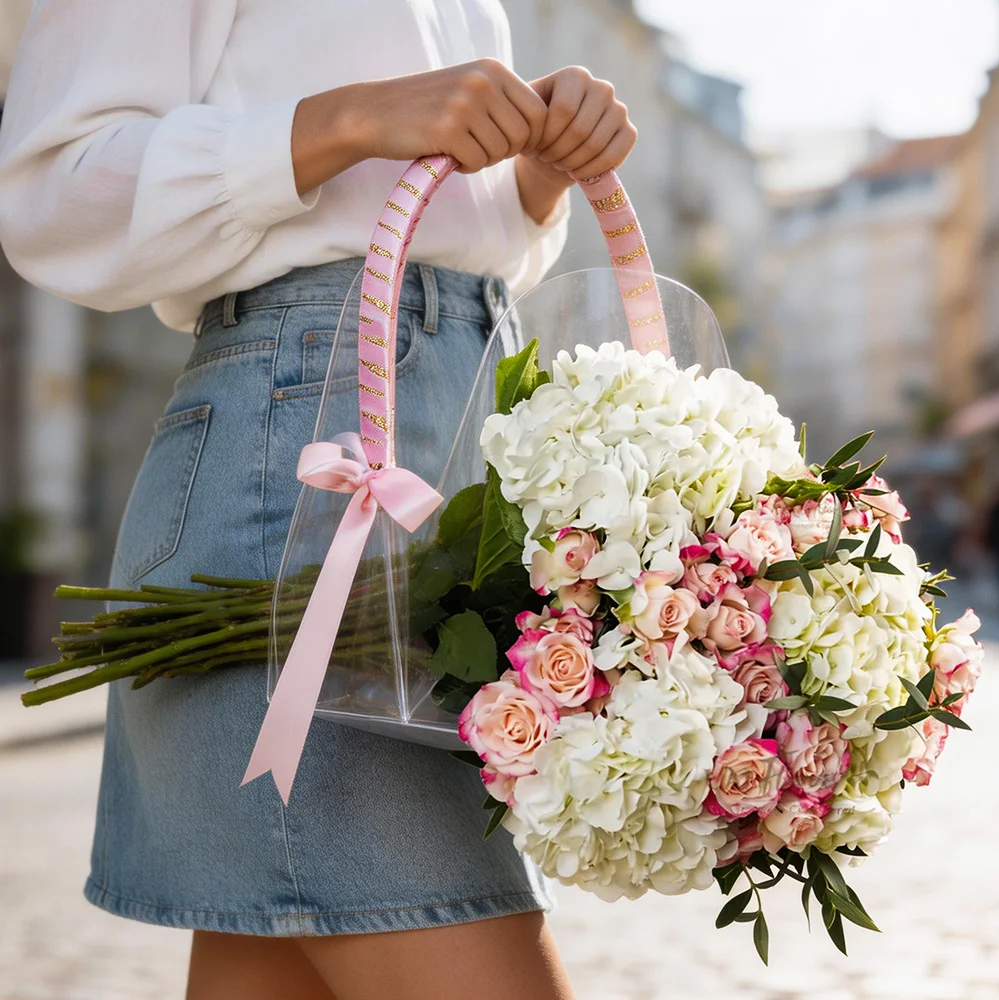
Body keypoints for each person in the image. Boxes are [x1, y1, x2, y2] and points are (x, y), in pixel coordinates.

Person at [0, 3, 637, 998]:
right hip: (309, 465)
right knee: (424, 924)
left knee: (281, 943)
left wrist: (537, 178)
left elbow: (466, 240)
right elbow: (53, 196)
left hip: (455, 446)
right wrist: (344, 119)